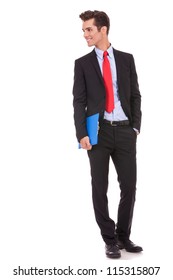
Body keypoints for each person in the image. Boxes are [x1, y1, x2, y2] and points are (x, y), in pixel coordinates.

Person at [72, 10, 142, 259]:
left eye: (89, 29)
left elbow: (135, 95)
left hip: (124, 131)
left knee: (130, 187)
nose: (85, 34)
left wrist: (135, 128)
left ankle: (124, 236)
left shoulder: (126, 59)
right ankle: (109, 239)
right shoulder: (82, 63)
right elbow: (79, 101)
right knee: (99, 188)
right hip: (97, 133)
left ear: (103, 29)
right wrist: (81, 133)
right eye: (83, 30)